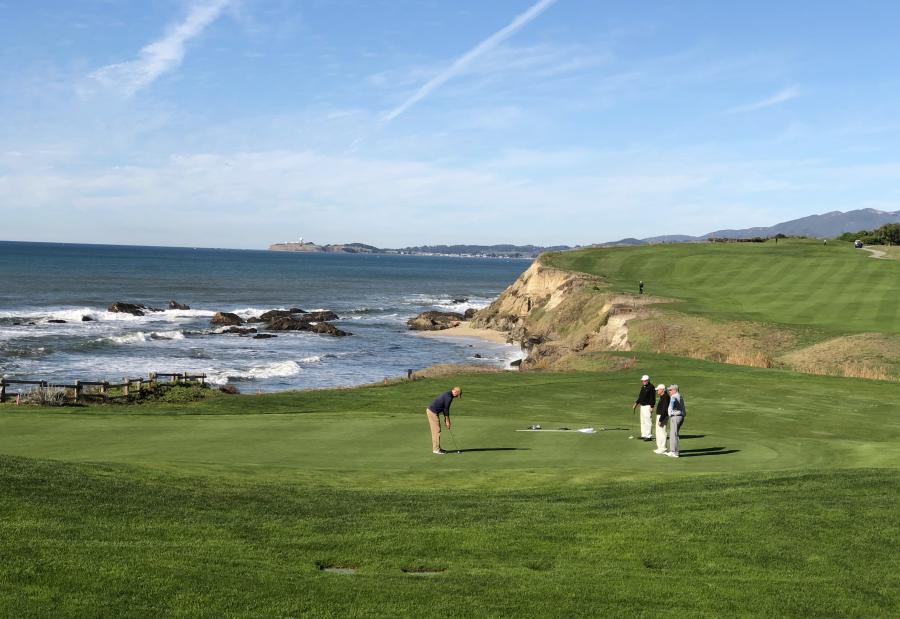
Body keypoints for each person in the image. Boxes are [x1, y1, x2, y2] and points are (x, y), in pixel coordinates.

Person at [426, 386, 461, 454]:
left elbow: (445, 408)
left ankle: (437, 448)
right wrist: (447, 421)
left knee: (437, 429)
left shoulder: (448, 394)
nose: (457, 397)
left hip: (433, 412)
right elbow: (446, 409)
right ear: (456, 392)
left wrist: (446, 419)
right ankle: (436, 449)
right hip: (432, 412)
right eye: (457, 395)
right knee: (436, 430)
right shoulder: (449, 397)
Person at [633, 375, 655, 441]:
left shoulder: (651, 387)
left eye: (644, 381)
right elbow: (640, 396)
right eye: (642, 381)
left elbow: (652, 398)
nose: (643, 382)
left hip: (647, 406)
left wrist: (652, 406)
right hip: (642, 406)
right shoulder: (643, 387)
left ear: (648, 380)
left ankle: (648, 436)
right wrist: (636, 403)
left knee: (648, 421)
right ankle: (644, 434)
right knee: (642, 421)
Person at [666, 384, 686, 458]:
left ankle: (674, 452)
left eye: (670, 390)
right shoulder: (679, 396)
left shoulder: (674, 397)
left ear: (675, 390)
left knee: (673, 434)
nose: (669, 391)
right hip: (679, 416)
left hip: (676, 416)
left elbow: (672, 404)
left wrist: (670, 412)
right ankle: (674, 451)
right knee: (674, 434)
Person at [653, 383, 670, 455]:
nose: (657, 391)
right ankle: (660, 447)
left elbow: (665, 409)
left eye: (658, 390)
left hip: (662, 416)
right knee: (658, 432)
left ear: (662, 390)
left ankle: (663, 448)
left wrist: (660, 419)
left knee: (662, 432)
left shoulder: (666, 397)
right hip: (660, 415)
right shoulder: (662, 396)